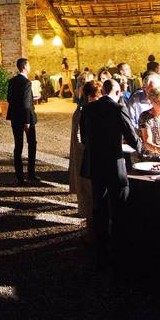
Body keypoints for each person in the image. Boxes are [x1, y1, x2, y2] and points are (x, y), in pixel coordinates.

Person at [80, 79, 142, 266]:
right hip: (114, 164)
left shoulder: (88, 109)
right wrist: (140, 147)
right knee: (119, 205)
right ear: (116, 92)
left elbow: (84, 137)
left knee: (99, 206)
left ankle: (101, 248)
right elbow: (132, 137)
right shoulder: (117, 108)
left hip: (95, 163)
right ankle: (120, 247)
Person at [69, 79, 99, 227]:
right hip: (85, 158)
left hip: (88, 157)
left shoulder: (87, 110)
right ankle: (90, 229)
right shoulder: (82, 112)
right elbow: (78, 137)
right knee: (87, 192)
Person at [6, 57, 37, 185]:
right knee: (32, 144)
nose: (29, 67)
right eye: (28, 65)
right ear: (24, 67)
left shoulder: (12, 81)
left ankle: (19, 177)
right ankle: (31, 174)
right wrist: (27, 121)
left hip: (15, 117)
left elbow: (9, 98)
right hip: (26, 117)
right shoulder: (27, 83)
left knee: (18, 146)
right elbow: (26, 104)